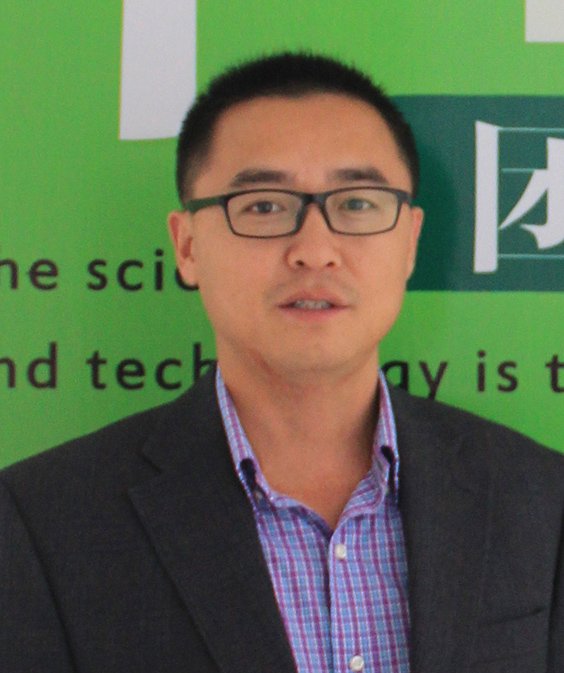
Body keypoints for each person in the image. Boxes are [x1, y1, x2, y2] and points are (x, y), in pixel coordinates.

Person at [1, 53, 562, 673]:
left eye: (357, 204)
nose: (315, 250)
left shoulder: (541, 499)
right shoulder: (44, 521)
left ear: (410, 241)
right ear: (187, 246)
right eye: (264, 206)